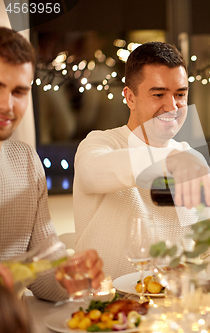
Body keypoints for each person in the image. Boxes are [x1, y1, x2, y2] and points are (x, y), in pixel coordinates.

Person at [73, 42, 210, 279]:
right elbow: (91, 173)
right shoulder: (99, 144)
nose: (172, 107)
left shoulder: (191, 158)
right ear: (130, 97)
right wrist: (167, 163)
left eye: (180, 95)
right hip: (104, 308)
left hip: (176, 309)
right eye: (158, 94)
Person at [0, 27, 104, 302]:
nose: (6, 105)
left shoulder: (25, 161)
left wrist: (70, 276)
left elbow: (44, 271)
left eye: (19, 92)